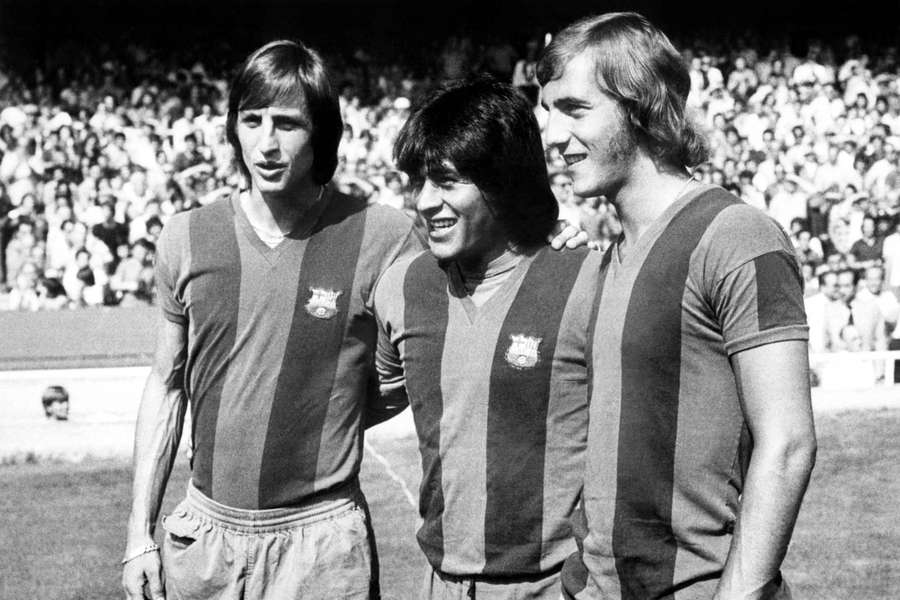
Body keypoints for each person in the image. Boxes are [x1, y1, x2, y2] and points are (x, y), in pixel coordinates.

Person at [122, 40, 424, 600]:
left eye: (287, 123)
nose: (266, 143)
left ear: (322, 132)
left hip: (321, 545)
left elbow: (411, 372)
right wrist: (139, 534)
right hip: (204, 536)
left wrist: (324, 418)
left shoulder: (383, 236)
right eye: (252, 120)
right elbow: (166, 387)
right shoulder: (186, 236)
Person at [539, 13, 817, 599]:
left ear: (641, 104)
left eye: (574, 109)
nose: (551, 134)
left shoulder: (737, 236)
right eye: (547, 111)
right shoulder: (606, 257)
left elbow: (788, 443)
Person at [374, 76, 602, 599]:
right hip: (441, 583)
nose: (425, 201)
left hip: (555, 585)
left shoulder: (587, 282)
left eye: (448, 182)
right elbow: (369, 399)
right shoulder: (401, 287)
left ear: (502, 182)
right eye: (419, 181)